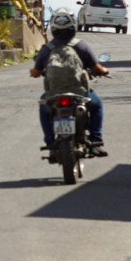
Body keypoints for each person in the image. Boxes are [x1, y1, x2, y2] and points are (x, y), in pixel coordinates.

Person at [31, 9, 110, 153]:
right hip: (80, 93)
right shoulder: (81, 46)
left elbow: (36, 73)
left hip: (53, 94)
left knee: (44, 110)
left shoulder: (47, 49)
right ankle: (95, 141)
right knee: (96, 105)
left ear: (53, 28)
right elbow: (96, 68)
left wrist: (34, 72)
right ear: (73, 26)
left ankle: (50, 142)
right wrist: (104, 70)